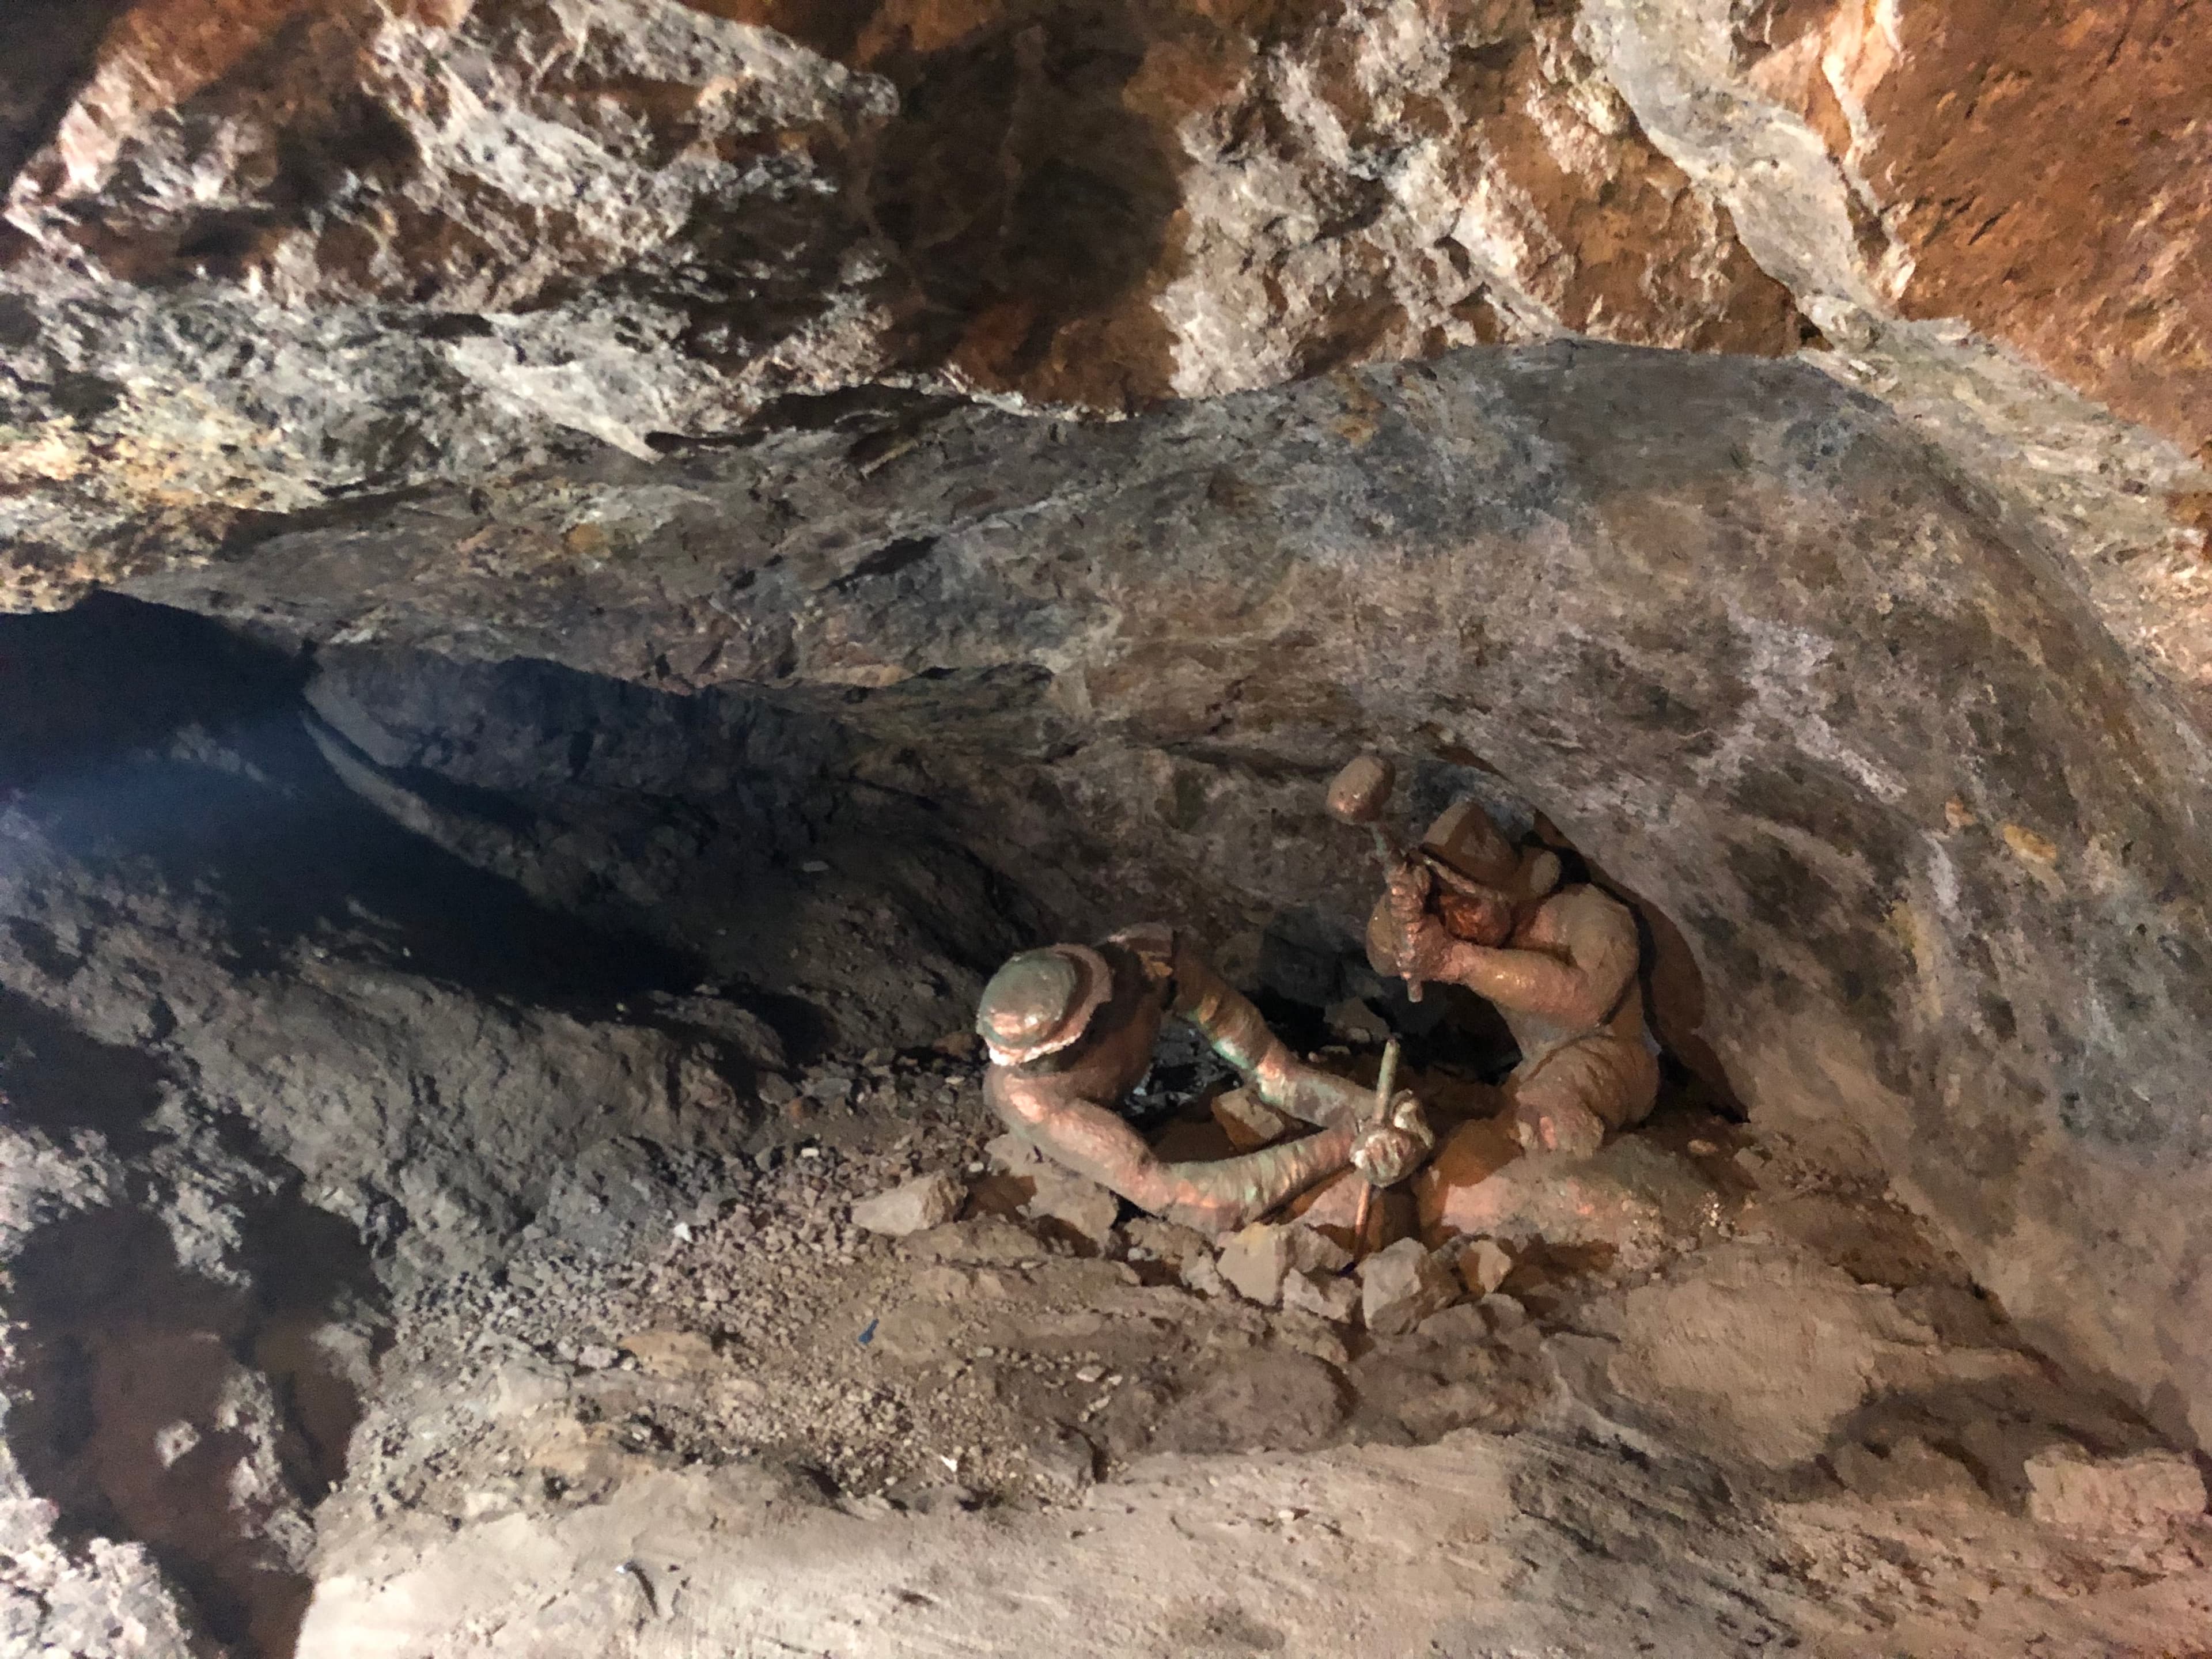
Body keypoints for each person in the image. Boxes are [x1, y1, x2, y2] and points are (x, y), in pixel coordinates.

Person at [976, 923, 1433, 1235]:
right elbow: (1195, 1201)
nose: (1034, 1069)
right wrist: (1347, 1141)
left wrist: (1384, 1111)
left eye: (1052, 1057)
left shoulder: (1151, 964)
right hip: (1089, 1131)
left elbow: (1273, 1072)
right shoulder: (1028, 1096)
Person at [1365, 799, 1657, 1158]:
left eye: (1469, 904)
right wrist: (1401, 915)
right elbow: (1381, 960)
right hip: (1538, 1066)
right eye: (1446, 909)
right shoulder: (1485, 943)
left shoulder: (1590, 912)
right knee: (1459, 1116)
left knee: (1548, 1108)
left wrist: (1456, 960)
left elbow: (1587, 1004)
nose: (1460, 925)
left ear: (1508, 894)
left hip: (1615, 1062)